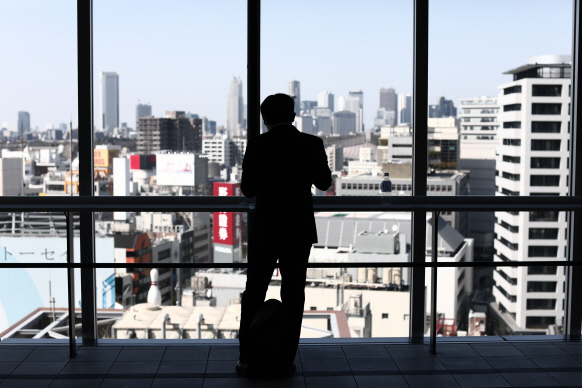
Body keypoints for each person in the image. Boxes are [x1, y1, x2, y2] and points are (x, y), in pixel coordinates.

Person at [237, 93, 332, 377]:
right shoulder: (311, 144)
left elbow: (248, 189)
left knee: (254, 291)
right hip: (297, 228)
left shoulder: (257, 145)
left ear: (265, 119)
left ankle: (247, 357)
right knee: (293, 293)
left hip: (266, 228)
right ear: (293, 115)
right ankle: (285, 357)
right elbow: (325, 183)